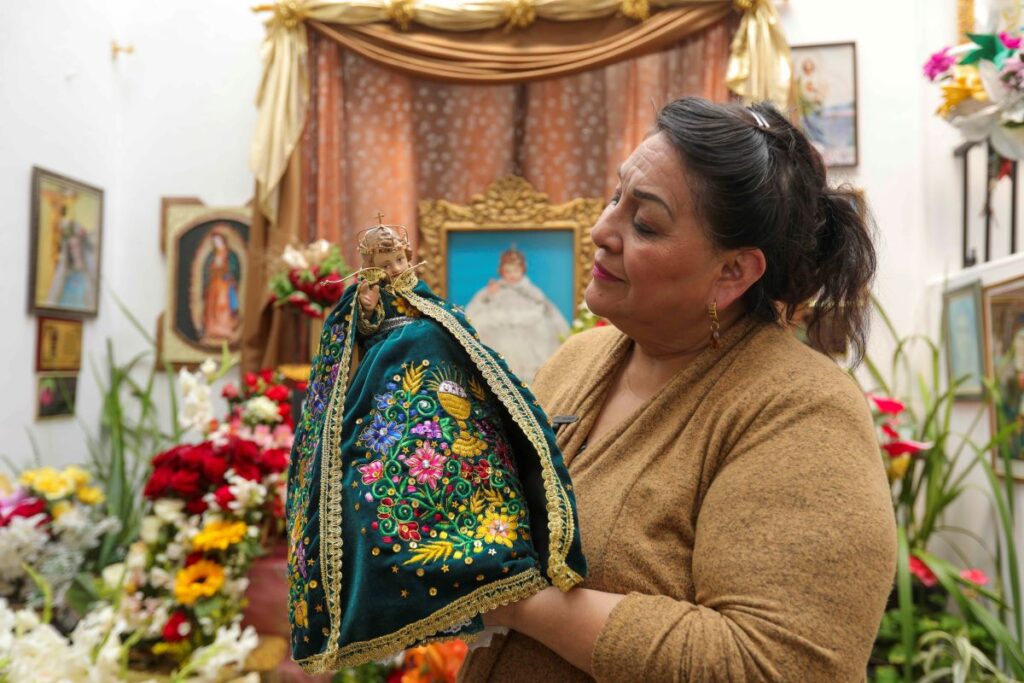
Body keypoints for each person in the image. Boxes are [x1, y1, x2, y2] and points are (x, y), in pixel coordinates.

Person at [459, 97, 897, 682]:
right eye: (617, 197)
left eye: (645, 223)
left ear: (733, 273)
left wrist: (516, 600)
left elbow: (774, 664)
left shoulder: (802, 410)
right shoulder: (575, 362)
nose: (600, 230)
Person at [285, 222, 586, 673]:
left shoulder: (425, 302)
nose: (397, 271)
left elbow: (457, 331)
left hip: (441, 381)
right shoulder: (371, 298)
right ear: (371, 268)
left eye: (401, 261)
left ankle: (490, 533)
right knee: (391, 464)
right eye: (386, 265)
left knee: (464, 459)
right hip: (391, 384)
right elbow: (361, 335)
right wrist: (366, 312)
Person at [465, 247, 570, 382]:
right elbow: (476, 308)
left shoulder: (528, 289)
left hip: (526, 327)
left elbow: (543, 304)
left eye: (515, 271)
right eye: (508, 271)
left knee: (537, 332)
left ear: (522, 270)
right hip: (502, 328)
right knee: (494, 334)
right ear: (501, 271)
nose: (512, 275)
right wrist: (490, 295)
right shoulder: (496, 288)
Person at [200, 227, 241, 343]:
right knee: (212, 307)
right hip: (214, 285)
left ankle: (225, 330)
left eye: (218, 240)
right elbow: (207, 271)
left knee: (223, 306)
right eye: (215, 241)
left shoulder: (231, 255)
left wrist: (227, 272)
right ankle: (212, 330)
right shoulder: (212, 256)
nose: (217, 243)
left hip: (225, 285)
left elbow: (235, 270)